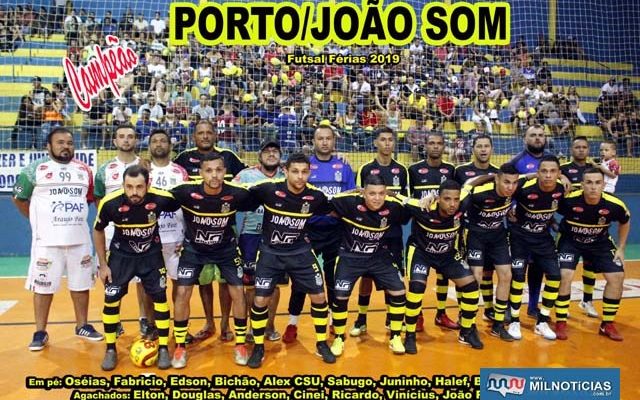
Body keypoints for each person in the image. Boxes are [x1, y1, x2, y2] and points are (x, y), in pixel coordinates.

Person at [13, 127, 103, 351]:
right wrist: (40, 222)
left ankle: (82, 325)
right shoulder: (34, 170)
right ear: (48, 146)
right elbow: (19, 199)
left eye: (70, 143)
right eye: (60, 142)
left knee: (81, 284)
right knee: (43, 287)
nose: (66, 146)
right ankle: (40, 331)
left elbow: (91, 199)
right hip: (47, 241)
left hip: (79, 238)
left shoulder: (84, 170)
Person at [170, 152, 260, 368]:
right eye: (209, 170)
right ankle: (180, 346)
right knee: (182, 292)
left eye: (218, 170)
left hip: (226, 250)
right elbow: (156, 200)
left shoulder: (236, 194)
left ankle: (240, 344)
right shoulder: (185, 192)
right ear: (200, 173)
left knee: (237, 291)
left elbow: (265, 194)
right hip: (194, 250)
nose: (214, 175)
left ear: (225, 172)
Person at [246, 153, 335, 368]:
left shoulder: (316, 196)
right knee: (260, 301)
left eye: (304, 172)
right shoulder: (268, 189)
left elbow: (338, 205)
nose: (300, 176)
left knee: (320, 296)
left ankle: (321, 343)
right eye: (295, 171)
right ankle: (258, 346)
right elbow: (239, 196)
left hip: (301, 252)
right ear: (285, 171)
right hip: (270, 252)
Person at [94, 165, 180, 370]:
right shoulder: (110, 203)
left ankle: (162, 349)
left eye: (139, 187)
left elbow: (186, 204)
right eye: (129, 187)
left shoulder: (160, 198)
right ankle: (110, 349)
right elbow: (97, 230)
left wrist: (185, 238)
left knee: (160, 298)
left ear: (147, 185)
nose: (134, 192)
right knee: (111, 300)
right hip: (121, 257)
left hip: (151, 257)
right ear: (123, 185)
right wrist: (103, 265)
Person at [173, 119, 248, 342]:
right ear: (194, 136)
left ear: (215, 135)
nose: (205, 136)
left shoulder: (229, 156)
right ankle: (209, 323)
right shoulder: (183, 158)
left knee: (227, 280)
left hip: (225, 225)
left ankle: (226, 325)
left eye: (209, 132)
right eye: (200, 133)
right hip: (195, 228)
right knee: (203, 281)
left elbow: (247, 177)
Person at [283, 125, 356, 343]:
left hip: (336, 230)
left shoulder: (344, 166)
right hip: (308, 230)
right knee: (300, 279)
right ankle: (292, 323)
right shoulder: (306, 167)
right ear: (314, 141)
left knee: (333, 278)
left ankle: (334, 319)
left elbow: (351, 196)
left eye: (328, 138)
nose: (324, 142)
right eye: (320, 138)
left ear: (334, 141)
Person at [329, 175, 409, 356]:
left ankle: (395, 336)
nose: (377, 198)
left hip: (378, 257)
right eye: (372, 193)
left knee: (399, 290)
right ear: (363, 193)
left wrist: (396, 195)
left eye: (381, 193)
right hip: (350, 257)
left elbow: (414, 207)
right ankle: (339, 338)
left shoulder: (393, 207)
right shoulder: (349, 203)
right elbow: (326, 201)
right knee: (340, 296)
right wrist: (351, 191)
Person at [400, 180, 484, 351]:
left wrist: (493, 175)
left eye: (455, 199)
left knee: (471, 286)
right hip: (420, 253)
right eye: (447, 199)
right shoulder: (422, 208)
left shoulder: (463, 202)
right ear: (438, 198)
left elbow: (470, 184)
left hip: (446, 254)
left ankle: (466, 331)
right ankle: (410, 335)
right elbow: (397, 197)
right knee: (416, 288)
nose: (452, 204)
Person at [555, 168, 630, 341]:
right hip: (570, 241)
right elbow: (548, 208)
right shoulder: (568, 200)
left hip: (600, 242)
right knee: (565, 275)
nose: (593, 187)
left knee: (617, 276)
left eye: (597, 183)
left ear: (604, 185)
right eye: (589, 182)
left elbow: (625, 221)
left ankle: (607, 324)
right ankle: (560, 321)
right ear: (582, 185)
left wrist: (621, 248)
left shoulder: (614, 204)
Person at [353, 127, 409, 337]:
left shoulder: (402, 170)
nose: (387, 143)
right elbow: (359, 199)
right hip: (369, 232)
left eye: (390, 140)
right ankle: (361, 318)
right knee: (366, 278)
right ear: (375, 142)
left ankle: (390, 317)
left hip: (393, 232)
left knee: (393, 276)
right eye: (383, 140)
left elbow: (406, 200)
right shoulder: (366, 168)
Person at [94, 125, 149, 337]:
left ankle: (144, 318)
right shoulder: (104, 169)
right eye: (121, 137)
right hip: (112, 234)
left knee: (144, 279)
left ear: (136, 140)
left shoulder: (145, 165)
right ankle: (113, 320)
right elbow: (99, 200)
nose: (126, 140)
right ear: (115, 141)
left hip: (140, 232)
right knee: (112, 279)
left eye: (130, 136)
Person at [507, 155, 565, 341]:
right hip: (519, 237)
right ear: (537, 173)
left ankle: (543, 321)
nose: (548, 175)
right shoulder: (524, 188)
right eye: (544, 171)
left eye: (552, 171)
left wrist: (555, 223)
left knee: (555, 276)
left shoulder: (562, 190)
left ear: (559, 174)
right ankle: (514, 320)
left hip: (543, 238)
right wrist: (508, 210)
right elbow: (505, 195)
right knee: (517, 276)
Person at [233, 141, 286, 343]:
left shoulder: (286, 175)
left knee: (274, 285)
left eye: (275, 151)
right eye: (267, 151)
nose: (271, 154)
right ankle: (250, 328)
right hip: (250, 236)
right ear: (259, 155)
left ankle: (270, 326)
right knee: (252, 285)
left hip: (279, 236)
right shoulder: (246, 175)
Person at [463, 164, 522, 341]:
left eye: (514, 183)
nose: (510, 187)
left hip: (497, 235)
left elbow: (534, 176)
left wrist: (563, 178)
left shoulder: (514, 191)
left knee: (506, 275)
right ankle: (469, 323)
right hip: (476, 235)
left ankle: (498, 324)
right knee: (476, 277)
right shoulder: (480, 193)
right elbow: (466, 186)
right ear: (497, 179)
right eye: (506, 182)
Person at [408, 132, 457, 331]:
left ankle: (441, 313)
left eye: (439, 143)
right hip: (421, 232)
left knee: (443, 275)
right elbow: (409, 199)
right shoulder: (414, 170)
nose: (435, 147)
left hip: (444, 232)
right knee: (418, 277)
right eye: (431, 143)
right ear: (425, 146)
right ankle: (416, 314)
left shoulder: (451, 170)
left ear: (444, 146)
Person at [454, 135, 500, 321]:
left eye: (486, 146)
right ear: (472, 149)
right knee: (471, 274)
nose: (483, 149)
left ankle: (489, 309)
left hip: (492, 230)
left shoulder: (499, 173)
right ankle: (464, 311)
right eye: (479, 146)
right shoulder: (460, 171)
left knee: (489, 271)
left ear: (492, 149)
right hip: (468, 231)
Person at [509, 124, 551, 319]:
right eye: (533, 135)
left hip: (542, 226)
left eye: (540, 135)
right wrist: (511, 208)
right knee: (517, 269)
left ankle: (533, 306)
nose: (537, 138)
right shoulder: (517, 161)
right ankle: (511, 308)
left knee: (538, 268)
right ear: (525, 139)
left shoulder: (551, 161)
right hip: (519, 226)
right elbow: (507, 187)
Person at [148, 130, 190, 319]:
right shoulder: (143, 170)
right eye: (155, 141)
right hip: (149, 238)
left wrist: (187, 235)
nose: (159, 144)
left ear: (170, 146)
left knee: (179, 284)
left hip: (175, 239)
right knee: (151, 284)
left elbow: (189, 205)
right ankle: (151, 323)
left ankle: (179, 325)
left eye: (163, 141)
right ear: (149, 146)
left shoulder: (180, 172)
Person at [559, 136, 598, 317]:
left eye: (584, 147)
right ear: (571, 150)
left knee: (590, 266)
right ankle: (562, 305)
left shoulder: (595, 170)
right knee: (565, 270)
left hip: (592, 228)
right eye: (577, 147)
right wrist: (560, 176)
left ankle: (587, 301)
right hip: (570, 227)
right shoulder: (563, 170)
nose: (581, 150)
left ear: (588, 150)